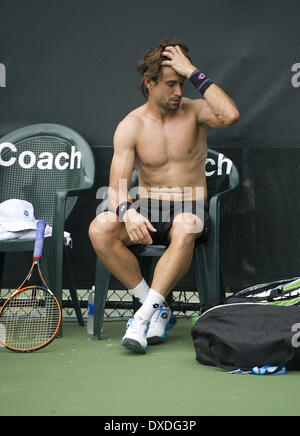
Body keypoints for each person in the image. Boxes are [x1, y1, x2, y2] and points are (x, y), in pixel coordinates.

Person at [89, 40, 239, 353]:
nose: (179, 92)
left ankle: (143, 315)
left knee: (185, 224)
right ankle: (156, 307)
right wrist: (126, 212)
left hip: (190, 206)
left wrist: (193, 71)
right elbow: (117, 185)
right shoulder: (131, 125)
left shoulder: (195, 112)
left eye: (182, 83)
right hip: (146, 207)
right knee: (100, 228)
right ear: (150, 83)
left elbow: (230, 114)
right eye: (171, 84)